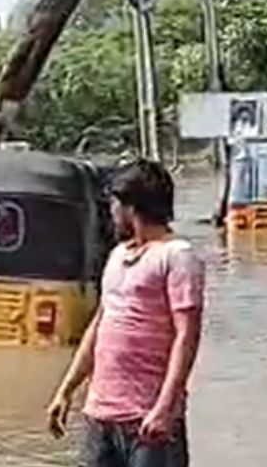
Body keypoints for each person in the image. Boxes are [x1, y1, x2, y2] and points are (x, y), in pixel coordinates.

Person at [46, 160, 205, 467]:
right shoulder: (118, 256)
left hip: (147, 419)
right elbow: (100, 325)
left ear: (131, 206)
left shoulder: (178, 257)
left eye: (114, 204)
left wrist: (165, 407)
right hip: (100, 416)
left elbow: (187, 336)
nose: (111, 212)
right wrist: (65, 390)